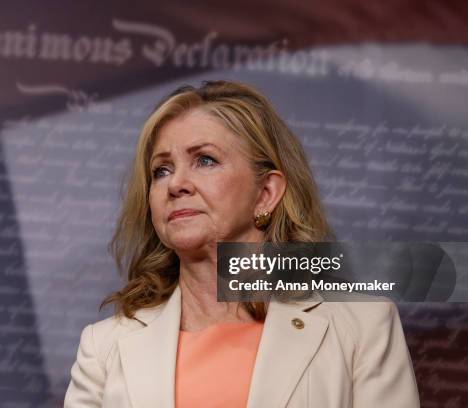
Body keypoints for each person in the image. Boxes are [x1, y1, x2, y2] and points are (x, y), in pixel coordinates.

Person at [64, 80, 420, 407]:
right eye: (162, 170)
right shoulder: (104, 347)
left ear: (265, 193)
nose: (176, 185)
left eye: (205, 160)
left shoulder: (364, 326)